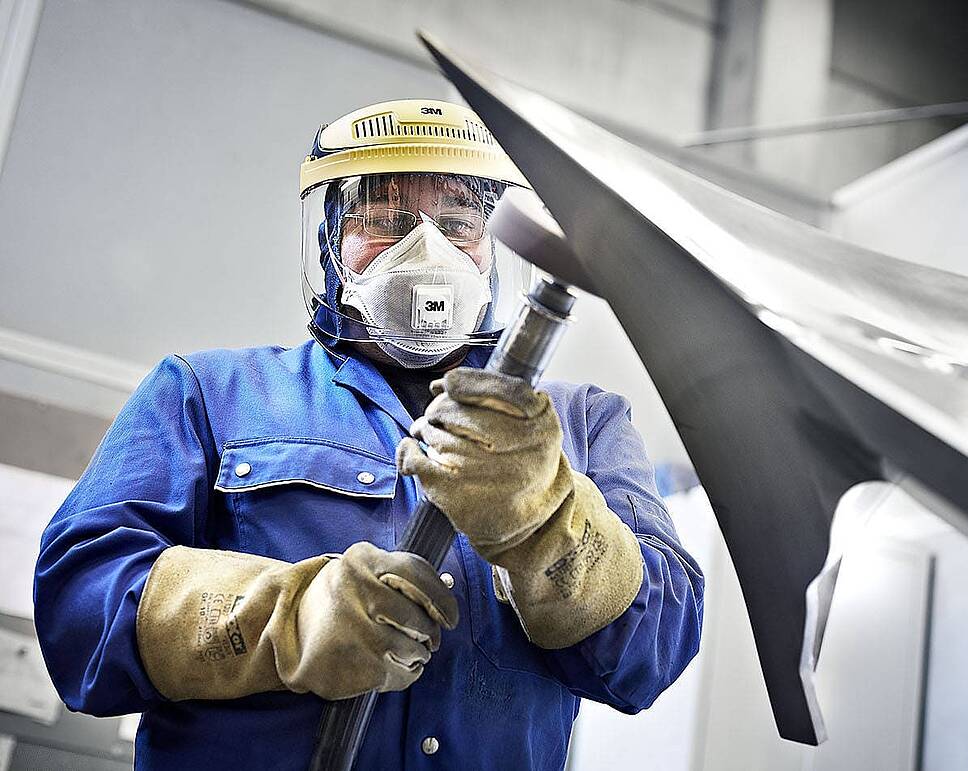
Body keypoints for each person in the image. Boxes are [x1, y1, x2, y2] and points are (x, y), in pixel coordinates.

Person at [33, 99, 704, 769]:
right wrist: (288, 618)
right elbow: (76, 613)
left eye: (458, 223)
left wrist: (546, 524)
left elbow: (654, 653)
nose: (426, 247)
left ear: (492, 252)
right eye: (385, 221)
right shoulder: (208, 395)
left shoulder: (585, 426)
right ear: (331, 242)